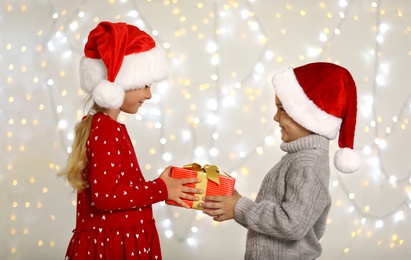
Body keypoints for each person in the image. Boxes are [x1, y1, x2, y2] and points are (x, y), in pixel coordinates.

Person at [59, 21, 202, 260]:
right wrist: (161, 188)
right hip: (116, 247)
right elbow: (105, 197)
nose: (149, 94)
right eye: (145, 85)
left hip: (121, 241)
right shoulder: (105, 129)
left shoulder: (106, 126)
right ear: (121, 82)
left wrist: (163, 187)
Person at [200, 62, 361, 259]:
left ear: (308, 116)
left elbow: (292, 224)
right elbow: (278, 224)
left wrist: (239, 207)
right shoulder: (298, 159)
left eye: (282, 109)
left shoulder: (308, 163)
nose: (276, 117)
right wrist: (236, 208)